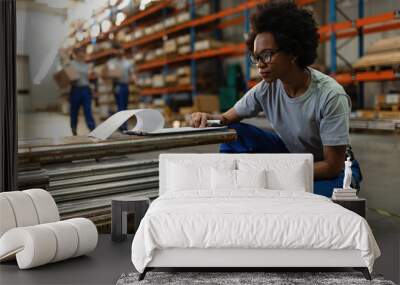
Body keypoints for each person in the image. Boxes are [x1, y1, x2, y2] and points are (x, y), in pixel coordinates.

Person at [189, 2, 362, 197]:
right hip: (293, 156)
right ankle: (233, 187)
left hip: (330, 168)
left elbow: (332, 166)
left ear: (293, 52)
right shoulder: (266, 89)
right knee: (234, 133)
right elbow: (225, 119)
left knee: (315, 200)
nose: (260, 65)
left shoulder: (330, 96)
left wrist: (275, 176)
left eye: (268, 55)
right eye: (256, 57)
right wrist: (205, 117)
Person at [107, 44, 135, 131]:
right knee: (120, 106)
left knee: (125, 106)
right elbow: (109, 74)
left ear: (123, 51)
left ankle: (122, 125)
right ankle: (123, 126)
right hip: (117, 86)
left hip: (125, 86)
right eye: (117, 50)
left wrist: (134, 79)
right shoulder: (112, 62)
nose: (119, 52)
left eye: (120, 50)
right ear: (115, 51)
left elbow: (131, 74)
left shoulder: (127, 63)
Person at [68, 47, 96, 135]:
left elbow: (88, 78)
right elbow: (68, 77)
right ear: (76, 53)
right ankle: (74, 129)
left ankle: (93, 129)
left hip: (86, 90)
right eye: (82, 52)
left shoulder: (85, 64)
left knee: (88, 110)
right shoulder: (71, 64)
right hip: (75, 89)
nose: (84, 54)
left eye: (84, 52)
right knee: (74, 111)